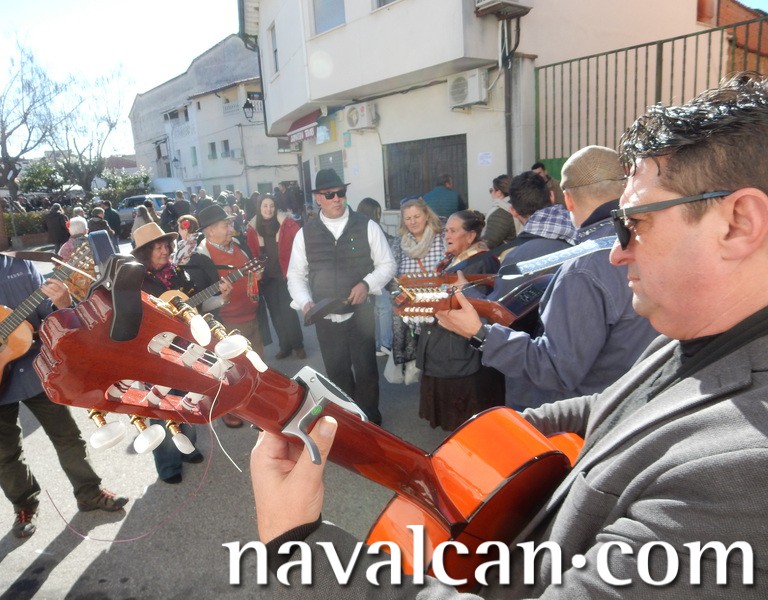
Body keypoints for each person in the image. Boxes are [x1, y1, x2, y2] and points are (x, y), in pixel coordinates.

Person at [249, 71, 768, 598]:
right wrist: (486, 441)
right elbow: (614, 403)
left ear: (739, 222)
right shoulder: (695, 334)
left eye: (635, 222)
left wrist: (303, 550)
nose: (616, 251)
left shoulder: (743, 470)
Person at [438, 145, 658, 410]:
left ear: (568, 200)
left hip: (581, 414)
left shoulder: (582, 268)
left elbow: (555, 368)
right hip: (636, 400)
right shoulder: (651, 240)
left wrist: (479, 334)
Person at [0, 209, 128, 538]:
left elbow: (50, 317)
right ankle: (24, 506)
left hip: (37, 371)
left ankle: (89, 492)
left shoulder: (21, 265)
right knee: (6, 454)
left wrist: (62, 302)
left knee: (68, 437)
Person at [286, 169, 395, 425]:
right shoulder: (305, 234)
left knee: (366, 370)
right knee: (337, 372)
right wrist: (305, 302)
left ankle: (370, 421)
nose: (336, 198)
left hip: (361, 314)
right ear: (318, 198)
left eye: (341, 193)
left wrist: (367, 284)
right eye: (329, 194)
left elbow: (388, 264)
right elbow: (295, 275)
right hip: (325, 316)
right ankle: (348, 420)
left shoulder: (367, 226)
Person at [130, 222, 231, 483]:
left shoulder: (178, 274)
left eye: (166, 245)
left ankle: (187, 447)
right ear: (145, 253)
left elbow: (199, 307)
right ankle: (168, 465)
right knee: (162, 406)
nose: (164, 251)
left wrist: (222, 298)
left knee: (188, 398)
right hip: (156, 352)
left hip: (187, 348)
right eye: (157, 248)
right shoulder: (134, 281)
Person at [416, 210, 500, 430]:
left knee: (466, 421)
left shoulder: (482, 262)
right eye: (446, 231)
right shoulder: (455, 259)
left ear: (471, 236)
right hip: (446, 347)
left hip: (461, 352)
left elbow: (485, 309)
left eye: (453, 231)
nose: (447, 236)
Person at [196, 204, 263, 428]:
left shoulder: (238, 245)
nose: (230, 229)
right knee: (231, 372)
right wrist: (223, 299)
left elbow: (250, 272)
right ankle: (231, 410)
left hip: (251, 316)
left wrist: (256, 276)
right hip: (226, 323)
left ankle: (255, 404)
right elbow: (201, 303)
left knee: (256, 365)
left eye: (229, 224)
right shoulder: (201, 259)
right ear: (210, 230)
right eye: (225, 225)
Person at [492, 171, 576, 298]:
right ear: (552, 196)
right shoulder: (586, 233)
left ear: (513, 211)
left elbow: (498, 307)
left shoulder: (516, 258)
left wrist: (465, 288)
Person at [389, 197, 445, 383]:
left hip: (438, 310)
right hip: (413, 313)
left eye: (417, 216)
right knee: (420, 361)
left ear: (427, 215)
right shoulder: (400, 243)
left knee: (439, 359)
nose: (413, 221)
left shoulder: (441, 238)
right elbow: (393, 277)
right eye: (408, 218)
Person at [246, 195, 306, 360]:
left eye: (271, 205)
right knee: (275, 313)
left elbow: (300, 241)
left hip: (285, 274)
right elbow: (251, 252)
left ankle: (298, 345)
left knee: (288, 311)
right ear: (259, 208)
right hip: (266, 277)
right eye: (265, 206)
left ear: (275, 207)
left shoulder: (287, 224)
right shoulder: (253, 228)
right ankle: (284, 346)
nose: (268, 209)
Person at [356, 197, 394, 357]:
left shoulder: (358, 226)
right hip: (377, 275)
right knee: (384, 308)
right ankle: (385, 343)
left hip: (366, 276)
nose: (380, 215)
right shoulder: (372, 227)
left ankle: (379, 344)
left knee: (377, 310)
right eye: (377, 212)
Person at [482, 174, 517, 248]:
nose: (491, 194)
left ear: (499, 193)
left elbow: (488, 243)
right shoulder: (516, 205)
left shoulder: (500, 213)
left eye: (491, 190)